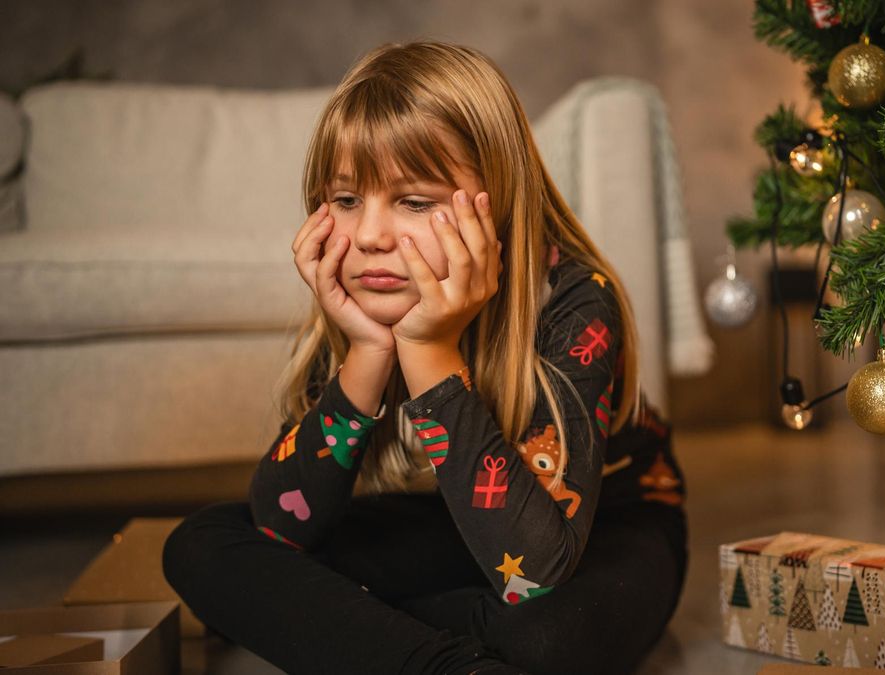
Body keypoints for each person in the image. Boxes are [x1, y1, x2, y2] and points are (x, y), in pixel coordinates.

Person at [162, 40, 688, 675]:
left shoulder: (575, 301)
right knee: (203, 543)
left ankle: (358, 633)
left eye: (414, 201)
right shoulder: (363, 295)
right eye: (347, 199)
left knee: (545, 637)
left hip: (604, 526)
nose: (370, 236)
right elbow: (282, 528)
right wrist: (366, 349)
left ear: (497, 198)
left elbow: (537, 570)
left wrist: (429, 350)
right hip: (451, 520)